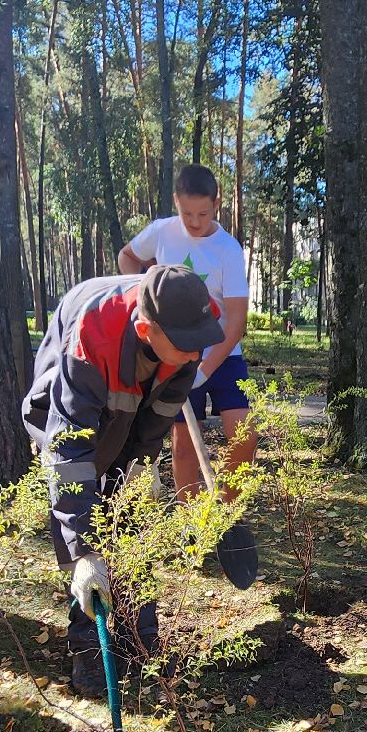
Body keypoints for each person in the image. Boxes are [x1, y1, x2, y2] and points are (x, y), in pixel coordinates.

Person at [22, 265, 227, 698]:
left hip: (127, 415)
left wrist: (140, 466)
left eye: (200, 343)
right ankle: (89, 647)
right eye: (187, 346)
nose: (196, 355)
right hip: (69, 416)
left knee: (131, 519)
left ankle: (139, 637)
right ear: (144, 328)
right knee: (88, 522)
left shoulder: (187, 338)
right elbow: (70, 452)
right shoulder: (91, 337)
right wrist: (83, 551)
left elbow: (156, 421)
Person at [116, 164, 253, 499]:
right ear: (176, 201)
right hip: (176, 353)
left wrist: (205, 370)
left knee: (245, 436)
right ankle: (190, 522)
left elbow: (236, 323)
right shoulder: (162, 232)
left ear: (216, 204)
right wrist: (145, 294)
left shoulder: (228, 249)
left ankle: (224, 514)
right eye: (187, 213)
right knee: (184, 444)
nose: (194, 222)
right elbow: (127, 257)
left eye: (203, 214)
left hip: (222, 354)